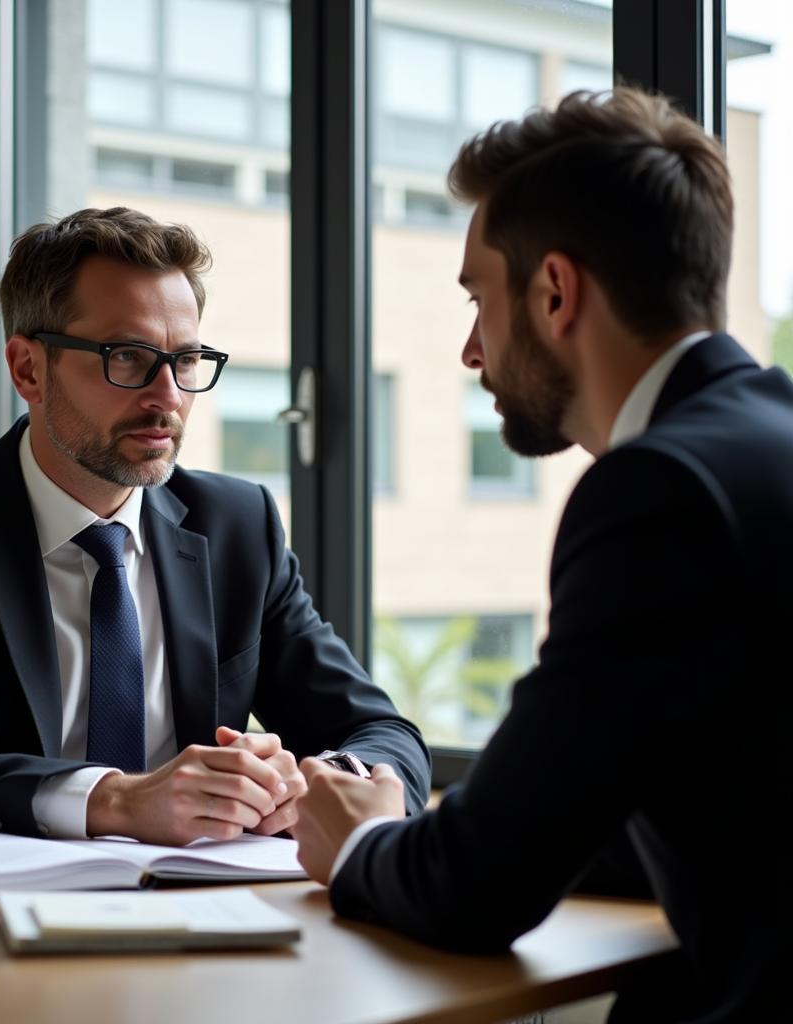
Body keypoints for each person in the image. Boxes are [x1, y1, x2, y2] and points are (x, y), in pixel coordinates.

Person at [290, 87, 793, 1022]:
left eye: (480, 297)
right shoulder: (767, 443)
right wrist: (476, 826)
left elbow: (475, 893)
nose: (473, 350)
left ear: (555, 292)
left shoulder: (663, 492)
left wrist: (360, 845)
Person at [0, 206, 430, 846]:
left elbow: (383, 733)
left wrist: (321, 784)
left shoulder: (238, 527)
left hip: (192, 908)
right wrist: (115, 800)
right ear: (28, 368)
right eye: (129, 358)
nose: (167, 396)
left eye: (186, 360)